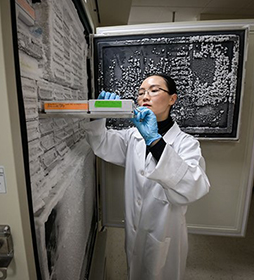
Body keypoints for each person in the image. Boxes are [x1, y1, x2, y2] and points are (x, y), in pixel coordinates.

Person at [82, 73, 210, 280]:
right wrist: (99, 114)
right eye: (141, 93)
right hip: (135, 227)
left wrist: (154, 141)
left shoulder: (186, 144)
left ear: (172, 99)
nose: (145, 97)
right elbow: (102, 143)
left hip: (165, 231)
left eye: (154, 90)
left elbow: (194, 186)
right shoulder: (133, 136)